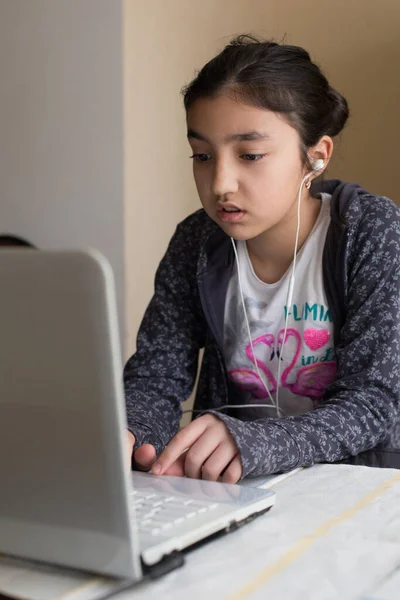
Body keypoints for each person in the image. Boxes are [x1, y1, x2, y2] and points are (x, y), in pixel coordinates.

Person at [124, 35, 400, 482]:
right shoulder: (196, 241)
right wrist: (132, 433)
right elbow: (154, 379)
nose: (220, 183)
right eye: (202, 155)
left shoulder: (371, 231)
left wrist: (254, 441)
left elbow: (374, 402)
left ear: (315, 157)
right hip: (235, 491)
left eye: (250, 155)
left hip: (356, 493)